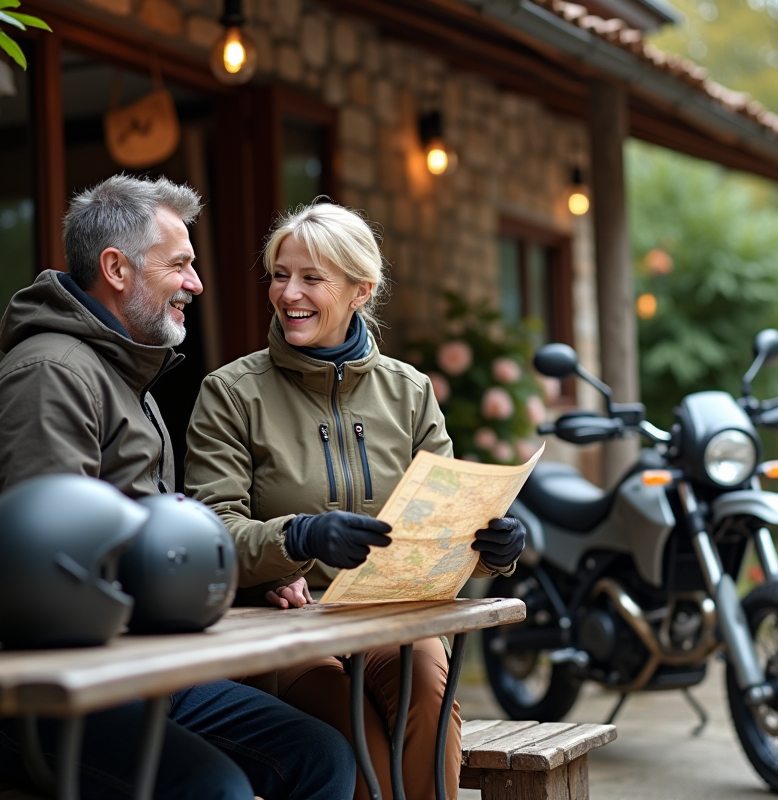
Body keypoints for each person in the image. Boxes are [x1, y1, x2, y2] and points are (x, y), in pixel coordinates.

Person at [0, 175, 356, 800]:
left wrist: (248, 572)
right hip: (43, 693)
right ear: (116, 268)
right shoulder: (50, 377)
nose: (196, 283)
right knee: (214, 789)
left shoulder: (122, 375)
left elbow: (155, 530)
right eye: (180, 264)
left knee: (318, 754)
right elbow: (56, 566)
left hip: (135, 672)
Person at [185, 201, 528, 800]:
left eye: (312, 278)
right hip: (284, 626)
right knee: (361, 747)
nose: (288, 292)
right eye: (280, 274)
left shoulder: (410, 393)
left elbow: (450, 517)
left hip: (394, 617)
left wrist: (494, 546)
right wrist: (297, 538)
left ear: (359, 292)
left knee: (428, 693)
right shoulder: (232, 393)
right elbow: (209, 533)